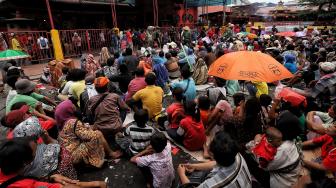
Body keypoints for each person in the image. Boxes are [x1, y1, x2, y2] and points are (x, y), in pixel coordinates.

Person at [0, 138, 107, 188]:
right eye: (34, 155)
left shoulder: (6, 167)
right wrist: (96, 184)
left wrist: (50, 178)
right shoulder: (28, 185)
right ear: (25, 164)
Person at [58, 98, 122, 168]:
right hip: (74, 156)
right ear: (68, 110)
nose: (74, 106)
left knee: (94, 132)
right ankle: (109, 154)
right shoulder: (72, 122)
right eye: (71, 105)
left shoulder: (64, 123)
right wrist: (92, 128)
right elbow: (88, 136)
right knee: (98, 134)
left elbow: (77, 132)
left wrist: (88, 127)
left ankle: (106, 153)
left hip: (67, 154)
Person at [177, 132, 252, 187]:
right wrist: (195, 166)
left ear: (212, 155)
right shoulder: (236, 155)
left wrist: (182, 174)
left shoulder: (211, 185)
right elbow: (216, 163)